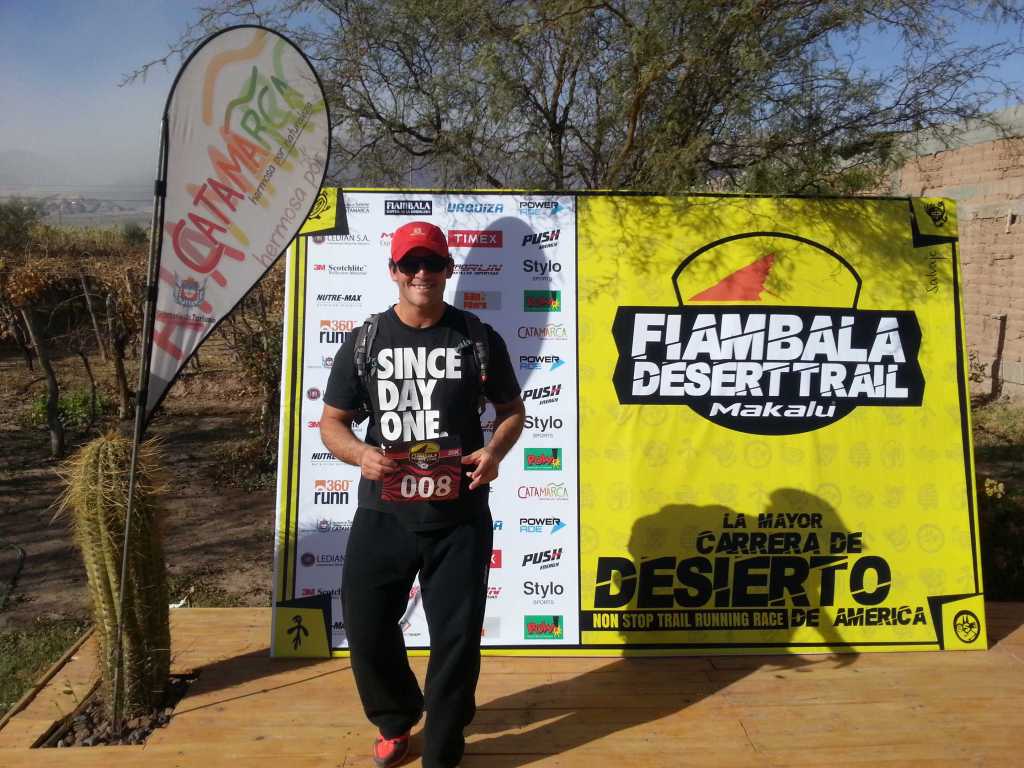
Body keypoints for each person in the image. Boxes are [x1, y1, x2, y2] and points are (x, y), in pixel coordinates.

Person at [319, 220, 525, 768]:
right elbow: (332, 423)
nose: (421, 273)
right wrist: (360, 454)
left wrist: (495, 452)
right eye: (410, 263)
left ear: (447, 270)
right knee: (366, 627)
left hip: (459, 517)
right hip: (383, 513)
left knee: (456, 640)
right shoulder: (365, 340)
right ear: (393, 270)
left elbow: (511, 412)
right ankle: (395, 717)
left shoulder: (478, 338)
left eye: (431, 263)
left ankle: (443, 745)